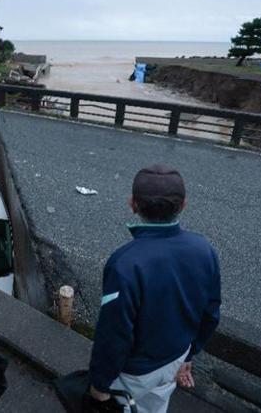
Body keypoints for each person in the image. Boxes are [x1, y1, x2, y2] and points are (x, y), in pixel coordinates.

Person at [88, 165, 221, 413]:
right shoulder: (204, 249)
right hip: (176, 357)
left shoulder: (125, 263)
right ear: (183, 205)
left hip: (136, 371)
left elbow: (114, 334)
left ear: (133, 204)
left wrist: (100, 384)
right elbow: (211, 313)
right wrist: (190, 354)